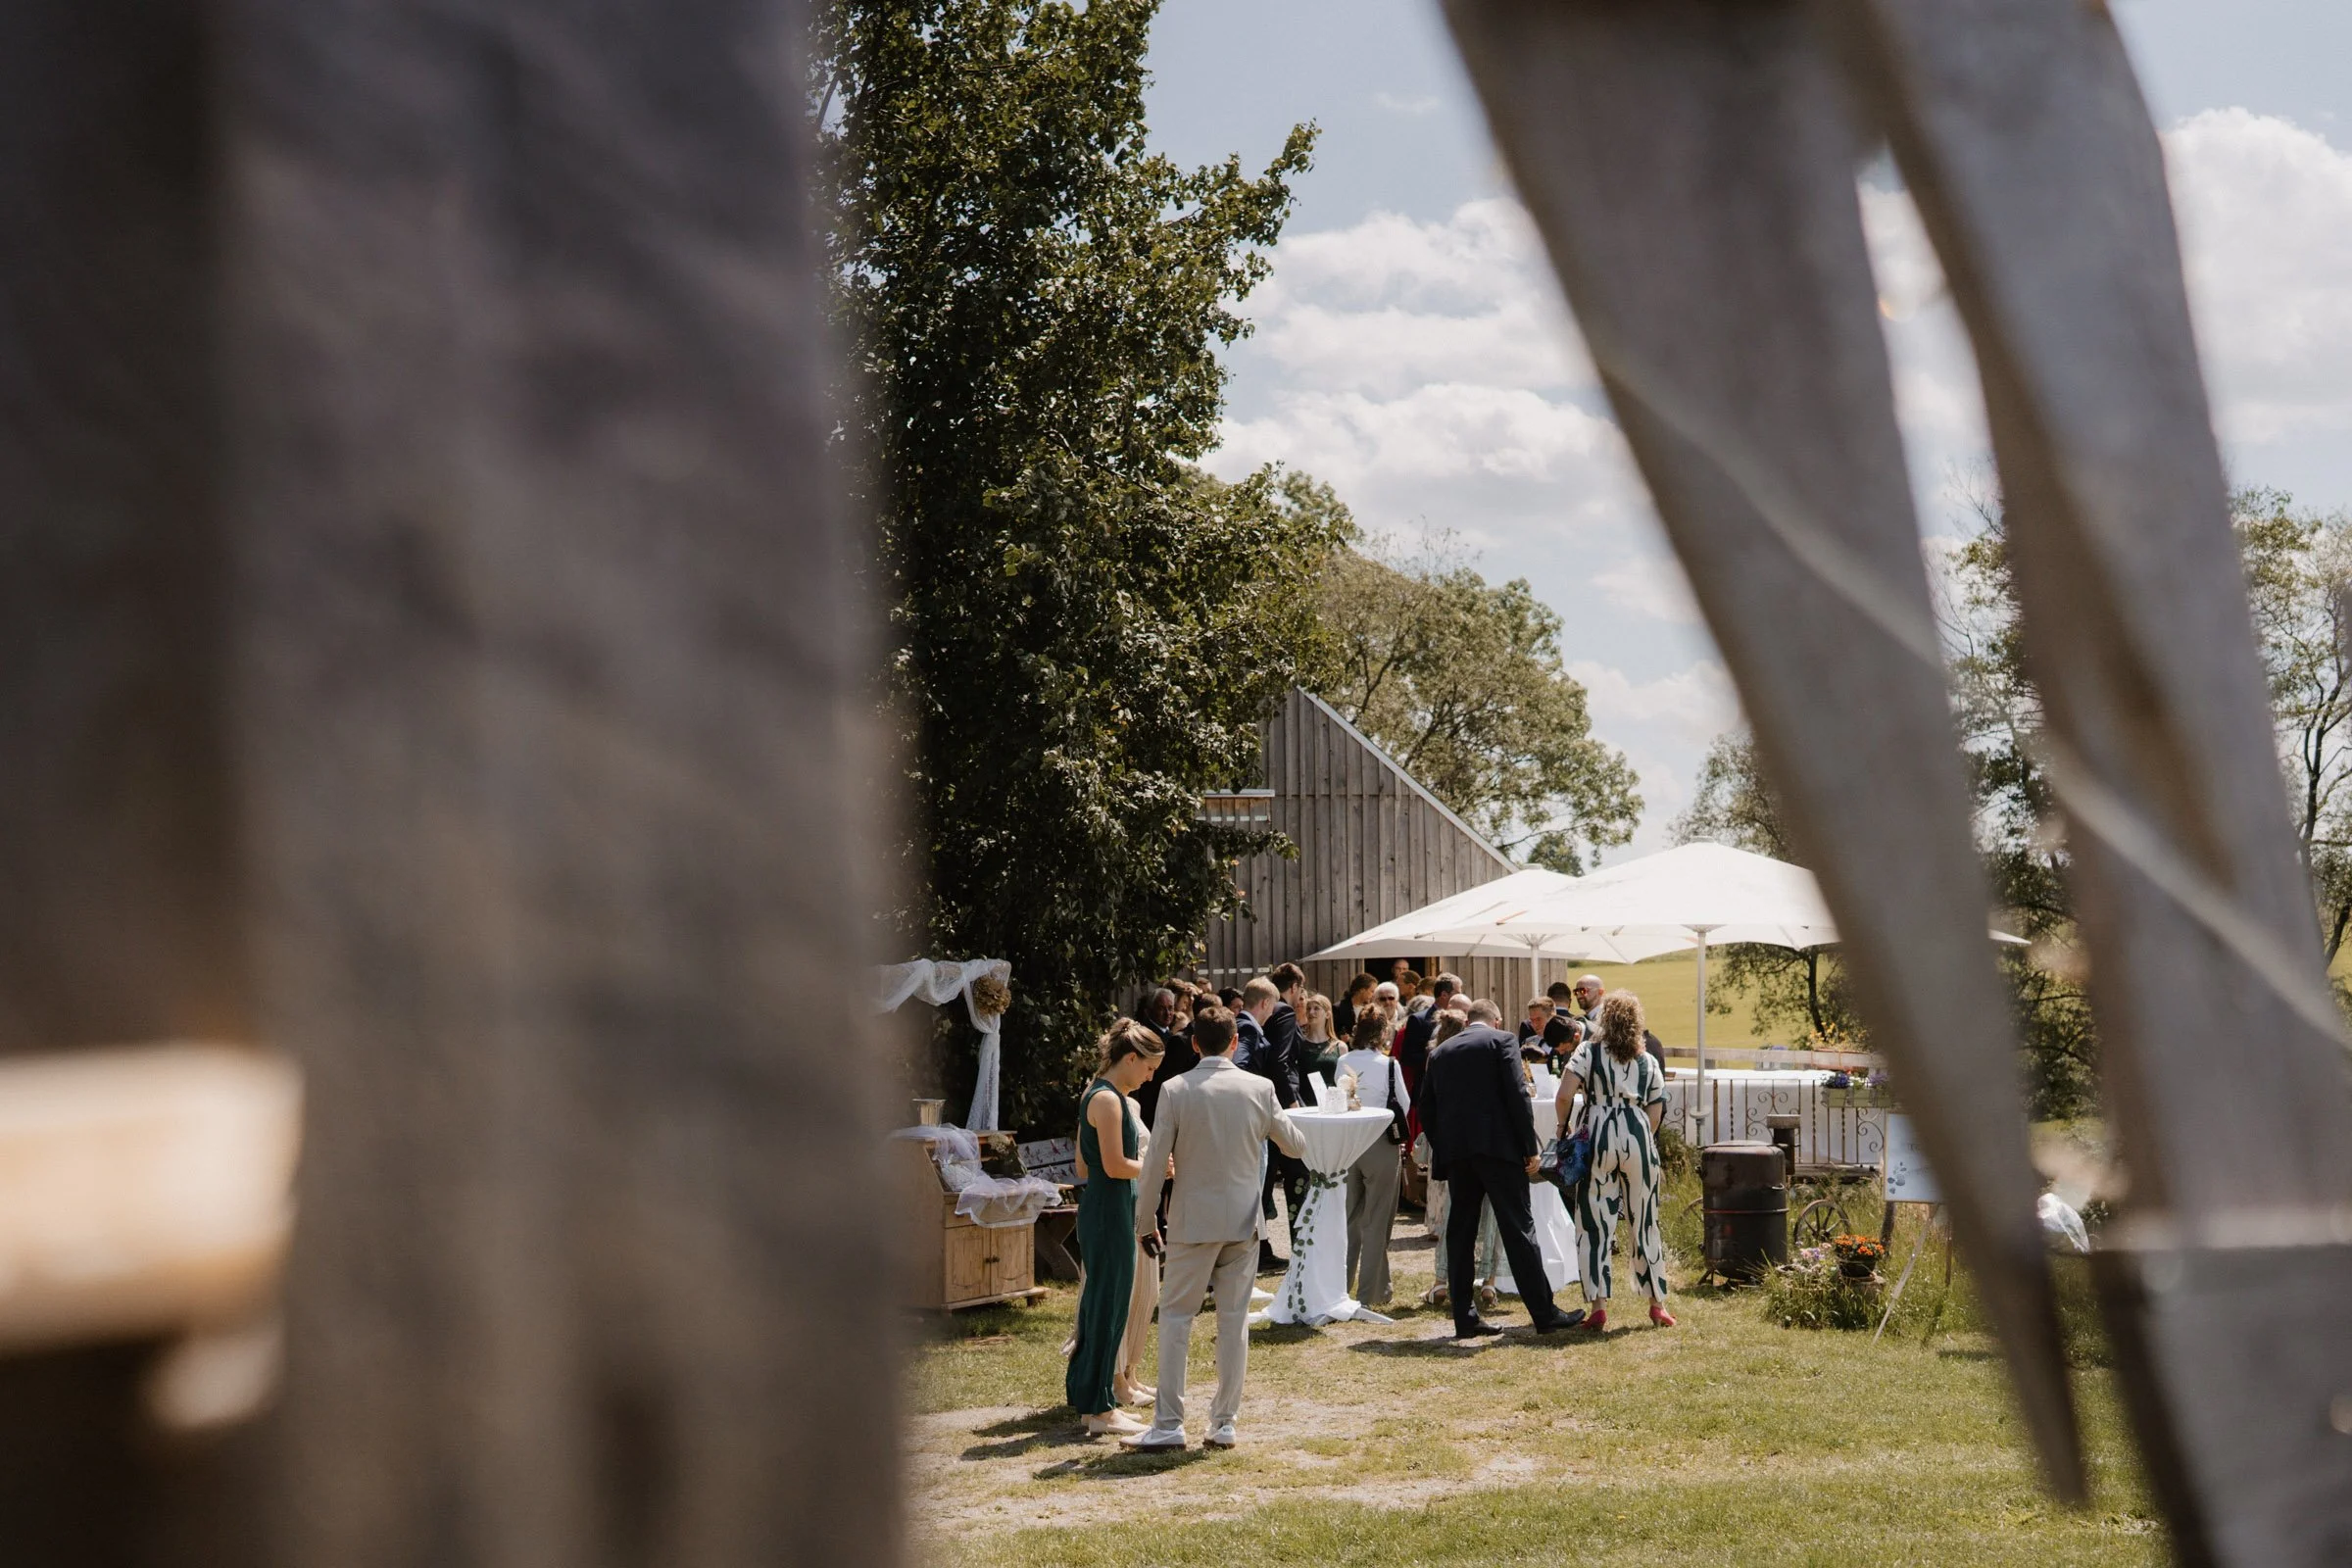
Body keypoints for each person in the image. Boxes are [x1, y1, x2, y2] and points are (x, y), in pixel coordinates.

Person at [1125, 1006, 1306, 1452]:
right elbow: (1296, 1145)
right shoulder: (1260, 1088)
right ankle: (1223, 1422)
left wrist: (1145, 1221)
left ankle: (1169, 1422)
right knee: (1232, 1322)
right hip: (1243, 1222)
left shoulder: (1174, 1089)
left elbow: (1153, 1166)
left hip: (1191, 1221)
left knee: (1176, 1320)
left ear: (1193, 1044)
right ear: (1234, 1043)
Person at [1416, 1000, 1582, 1339]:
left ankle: (1465, 1317)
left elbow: (1426, 1107)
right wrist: (1528, 1148)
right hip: (1498, 1150)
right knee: (1519, 1228)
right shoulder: (1503, 1041)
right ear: (1496, 1019)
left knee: (1460, 1233)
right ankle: (1543, 1312)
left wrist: (1445, 1147)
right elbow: (1516, 1094)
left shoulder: (1441, 1051)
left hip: (1459, 1154)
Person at [1066, 1019, 1164, 1436]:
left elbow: (1081, 1164)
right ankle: (1099, 1409)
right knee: (1107, 1307)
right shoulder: (1107, 1101)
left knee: (1104, 1305)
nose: (1150, 1076)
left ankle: (1093, 1399)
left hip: (1108, 1208)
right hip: (1109, 1212)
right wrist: (1157, 1167)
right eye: (1148, 1067)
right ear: (1130, 1058)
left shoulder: (1100, 1094)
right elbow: (1111, 1166)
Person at [1560, 990, 1675, 1331]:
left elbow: (1566, 1093)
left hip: (1596, 1131)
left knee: (1595, 1220)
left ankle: (1598, 1305)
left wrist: (1563, 1126)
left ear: (1604, 1020)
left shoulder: (1588, 1051)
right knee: (1645, 1218)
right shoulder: (1647, 1060)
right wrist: (1641, 1135)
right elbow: (1656, 1107)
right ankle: (1657, 1304)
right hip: (1637, 1131)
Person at [1337, 1009, 1409, 1306]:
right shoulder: (1390, 1064)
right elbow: (1402, 1104)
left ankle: (1341, 1287)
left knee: (1350, 1218)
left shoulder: (1343, 1061)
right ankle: (1372, 1292)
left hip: (1350, 1141)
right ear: (1382, 1033)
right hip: (1380, 1141)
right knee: (1378, 1220)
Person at [1236, 976, 1307, 1269]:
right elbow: (1238, 1066)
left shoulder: (1245, 1026)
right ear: (1266, 1003)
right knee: (1257, 1185)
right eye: (1271, 1006)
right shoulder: (1249, 1030)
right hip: (1253, 1117)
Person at [1132, 988, 1190, 1128]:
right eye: (1161, 1008)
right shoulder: (1147, 1035)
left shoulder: (1168, 1034)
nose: (1168, 1013)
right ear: (1149, 1011)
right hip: (1151, 1105)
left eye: (1171, 1008)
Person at [1300, 993, 1345, 1087]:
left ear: (1328, 1014)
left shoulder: (1340, 1047)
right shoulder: (1299, 1044)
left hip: (1331, 1100)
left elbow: (1343, 1082)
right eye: (1308, 1008)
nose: (1311, 1012)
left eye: (1316, 1008)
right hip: (1305, 1100)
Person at [1335, 972, 1378, 1042]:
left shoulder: (1370, 1009)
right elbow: (1331, 1033)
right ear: (1361, 990)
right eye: (1372, 991)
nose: (1373, 995)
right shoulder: (1338, 1008)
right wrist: (1340, 1038)